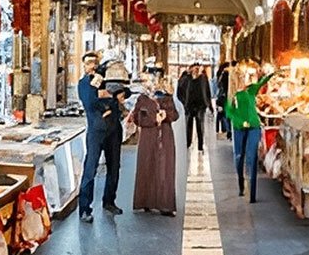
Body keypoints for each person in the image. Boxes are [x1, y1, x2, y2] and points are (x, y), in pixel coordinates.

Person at [77, 53, 125, 222]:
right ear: (84, 66)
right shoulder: (84, 83)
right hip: (96, 132)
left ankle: (109, 201)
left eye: (95, 62)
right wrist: (110, 101)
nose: (92, 65)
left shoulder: (107, 80)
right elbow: (90, 102)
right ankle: (85, 209)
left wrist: (109, 99)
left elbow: (123, 92)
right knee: (90, 169)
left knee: (114, 167)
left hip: (114, 130)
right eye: (88, 63)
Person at [129, 75, 179, 215]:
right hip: (148, 138)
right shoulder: (142, 99)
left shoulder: (167, 98)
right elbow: (137, 118)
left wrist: (165, 115)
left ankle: (165, 205)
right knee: (147, 166)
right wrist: (153, 119)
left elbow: (175, 115)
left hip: (165, 137)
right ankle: (146, 201)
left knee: (165, 169)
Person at [226, 66, 275, 203]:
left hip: (254, 127)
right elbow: (230, 113)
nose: (244, 79)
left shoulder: (251, 90)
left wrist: (272, 74)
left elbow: (262, 82)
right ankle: (241, 183)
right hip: (239, 128)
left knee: (252, 157)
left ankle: (252, 193)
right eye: (241, 77)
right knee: (239, 157)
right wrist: (241, 122)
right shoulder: (232, 96)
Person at [177, 63, 212, 152]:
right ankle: (188, 143)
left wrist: (209, 105)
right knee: (188, 125)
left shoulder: (203, 78)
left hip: (200, 105)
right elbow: (179, 91)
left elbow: (207, 92)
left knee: (200, 125)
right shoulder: (186, 79)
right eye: (195, 68)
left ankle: (200, 145)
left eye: (198, 68)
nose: (196, 70)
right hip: (189, 105)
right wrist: (184, 102)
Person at [214, 62, 231, 140]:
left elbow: (219, 86)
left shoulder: (220, 74)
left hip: (221, 97)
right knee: (225, 115)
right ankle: (227, 131)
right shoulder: (226, 74)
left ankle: (221, 130)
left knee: (221, 114)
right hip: (225, 97)